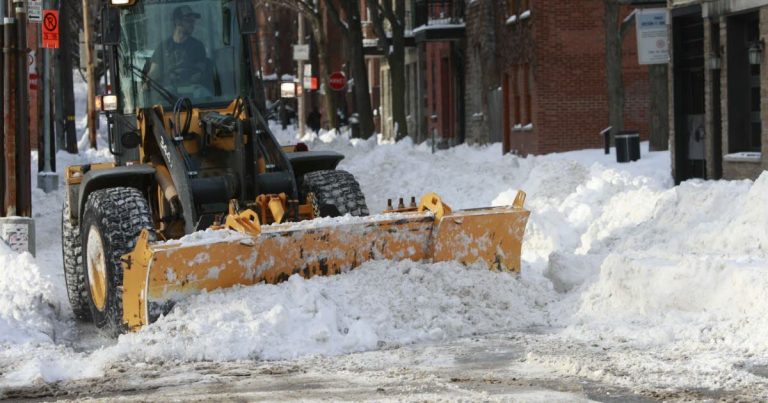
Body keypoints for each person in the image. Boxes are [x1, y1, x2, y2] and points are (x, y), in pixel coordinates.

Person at [146, 5, 211, 91]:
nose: (192, 25)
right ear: (177, 22)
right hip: (167, 94)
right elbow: (153, 73)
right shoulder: (163, 47)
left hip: (192, 92)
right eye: (189, 21)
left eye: (193, 21)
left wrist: (183, 81)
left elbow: (199, 73)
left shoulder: (197, 46)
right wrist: (146, 86)